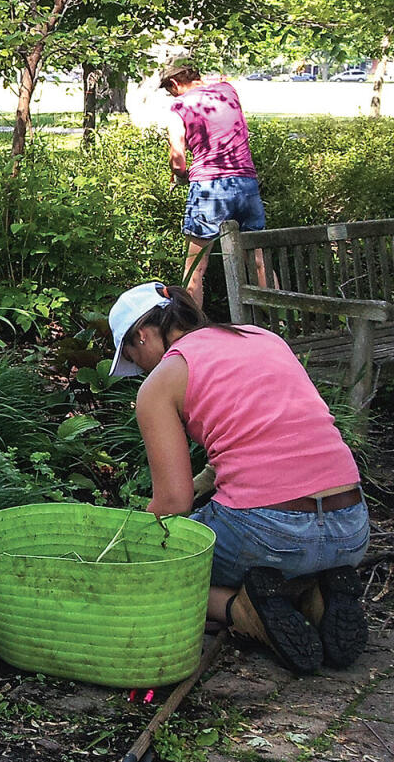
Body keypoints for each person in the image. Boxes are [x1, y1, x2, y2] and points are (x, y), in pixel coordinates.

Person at [109, 281, 368, 673]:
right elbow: (273, 431)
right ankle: (314, 593)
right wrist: (205, 481)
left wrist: (137, 542)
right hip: (351, 526)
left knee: (153, 568)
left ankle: (241, 610)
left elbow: (173, 504)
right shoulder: (263, 338)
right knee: (284, 549)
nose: (140, 368)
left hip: (269, 535)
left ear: (142, 335)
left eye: (132, 356)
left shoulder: (162, 381)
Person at [160, 62, 266, 307]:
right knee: (258, 260)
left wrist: (181, 176)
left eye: (169, 89)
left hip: (209, 187)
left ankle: (193, 331)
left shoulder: (179, 106)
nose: (171, 95)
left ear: (175, 83)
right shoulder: (228, 91)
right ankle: (276, 325)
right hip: (246, 184)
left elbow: (178, 161)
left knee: (195, 266)